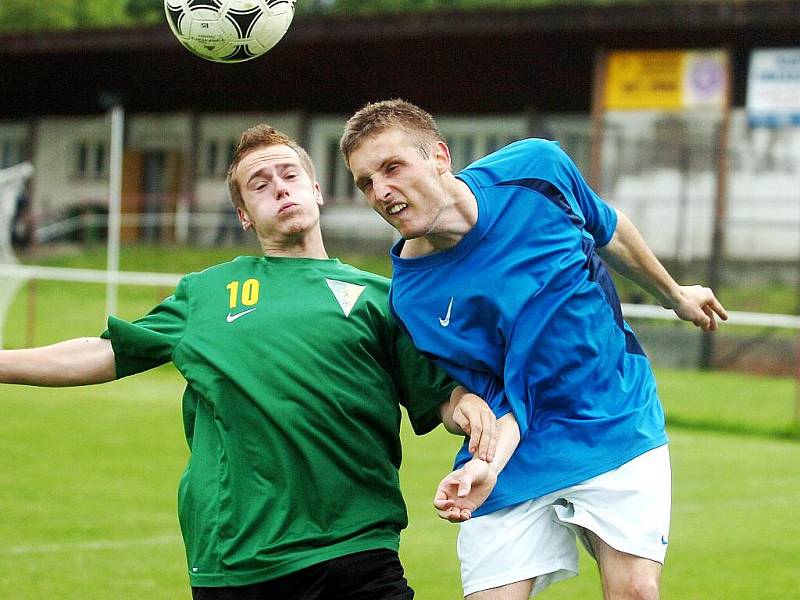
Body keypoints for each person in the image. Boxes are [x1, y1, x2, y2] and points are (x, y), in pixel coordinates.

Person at [0, 124, 503, 600]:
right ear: (244, 216)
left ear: (317, 191)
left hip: (356, 547)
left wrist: (467, 406)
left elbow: (436, 393)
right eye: (259, 185)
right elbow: (106, 351)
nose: (280, 189)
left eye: (289, 176)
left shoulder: (382, 297)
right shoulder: (207, 293)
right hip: (239, 559)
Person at [341, 99, 729, 600]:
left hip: (611, 414)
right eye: (366, 182)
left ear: (439, 156)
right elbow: (504, 396)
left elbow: (608, 228)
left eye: (392, 168)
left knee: (635, 590)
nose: (382, 192)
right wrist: (488, 465)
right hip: (517, 445)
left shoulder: (536, 169)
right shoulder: (413, 296)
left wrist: (675, 295)